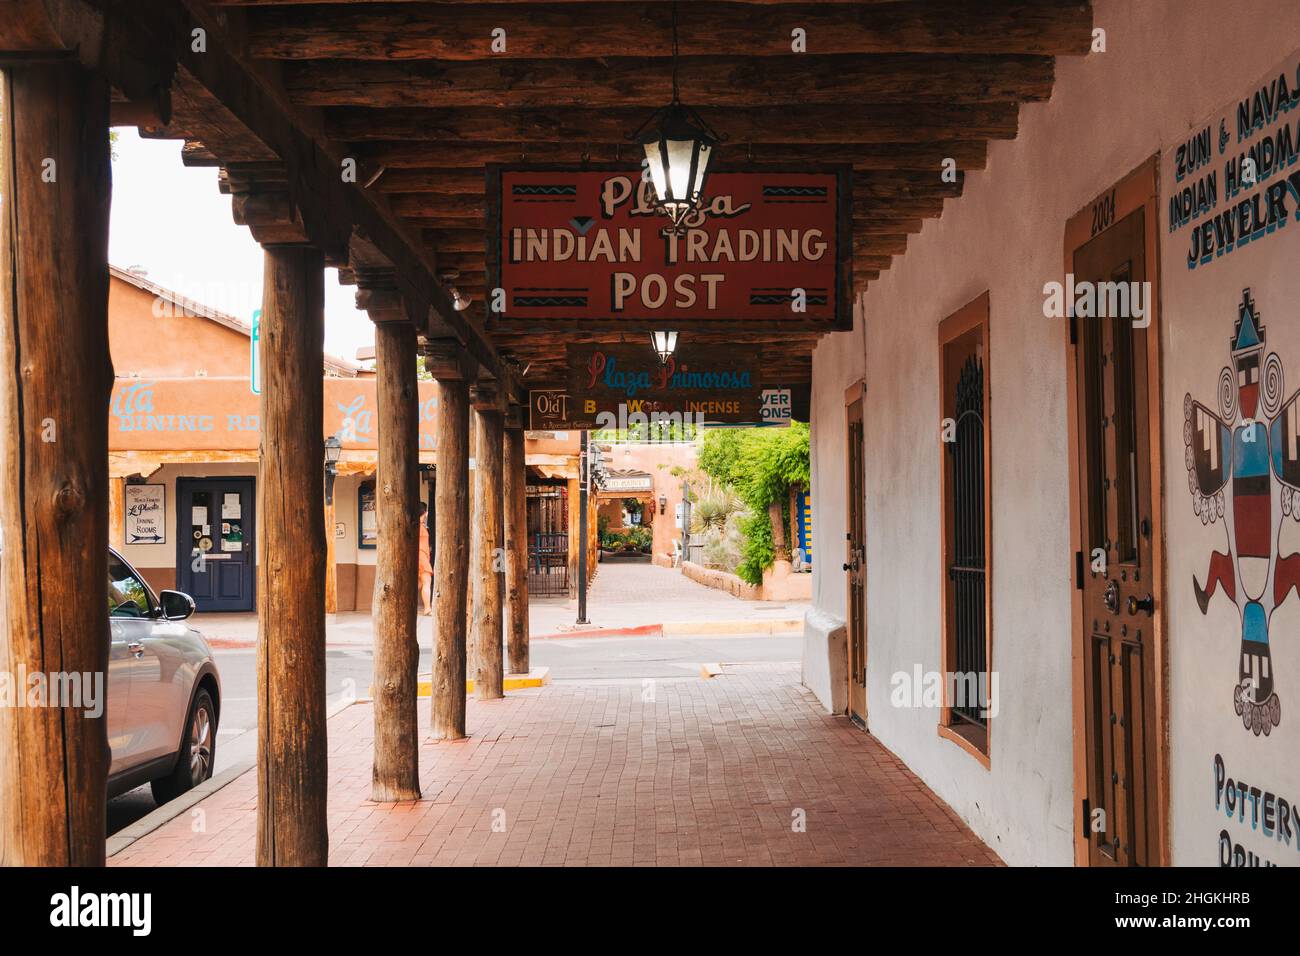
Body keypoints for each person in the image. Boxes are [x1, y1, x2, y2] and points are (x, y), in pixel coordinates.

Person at [418, 501, 433, 616]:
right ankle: (427, 608)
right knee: (427, 582)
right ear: (425, 512)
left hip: (422, 555)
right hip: (421, 556)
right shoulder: (419, 526)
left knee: (420, 584)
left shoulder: (420, 525)